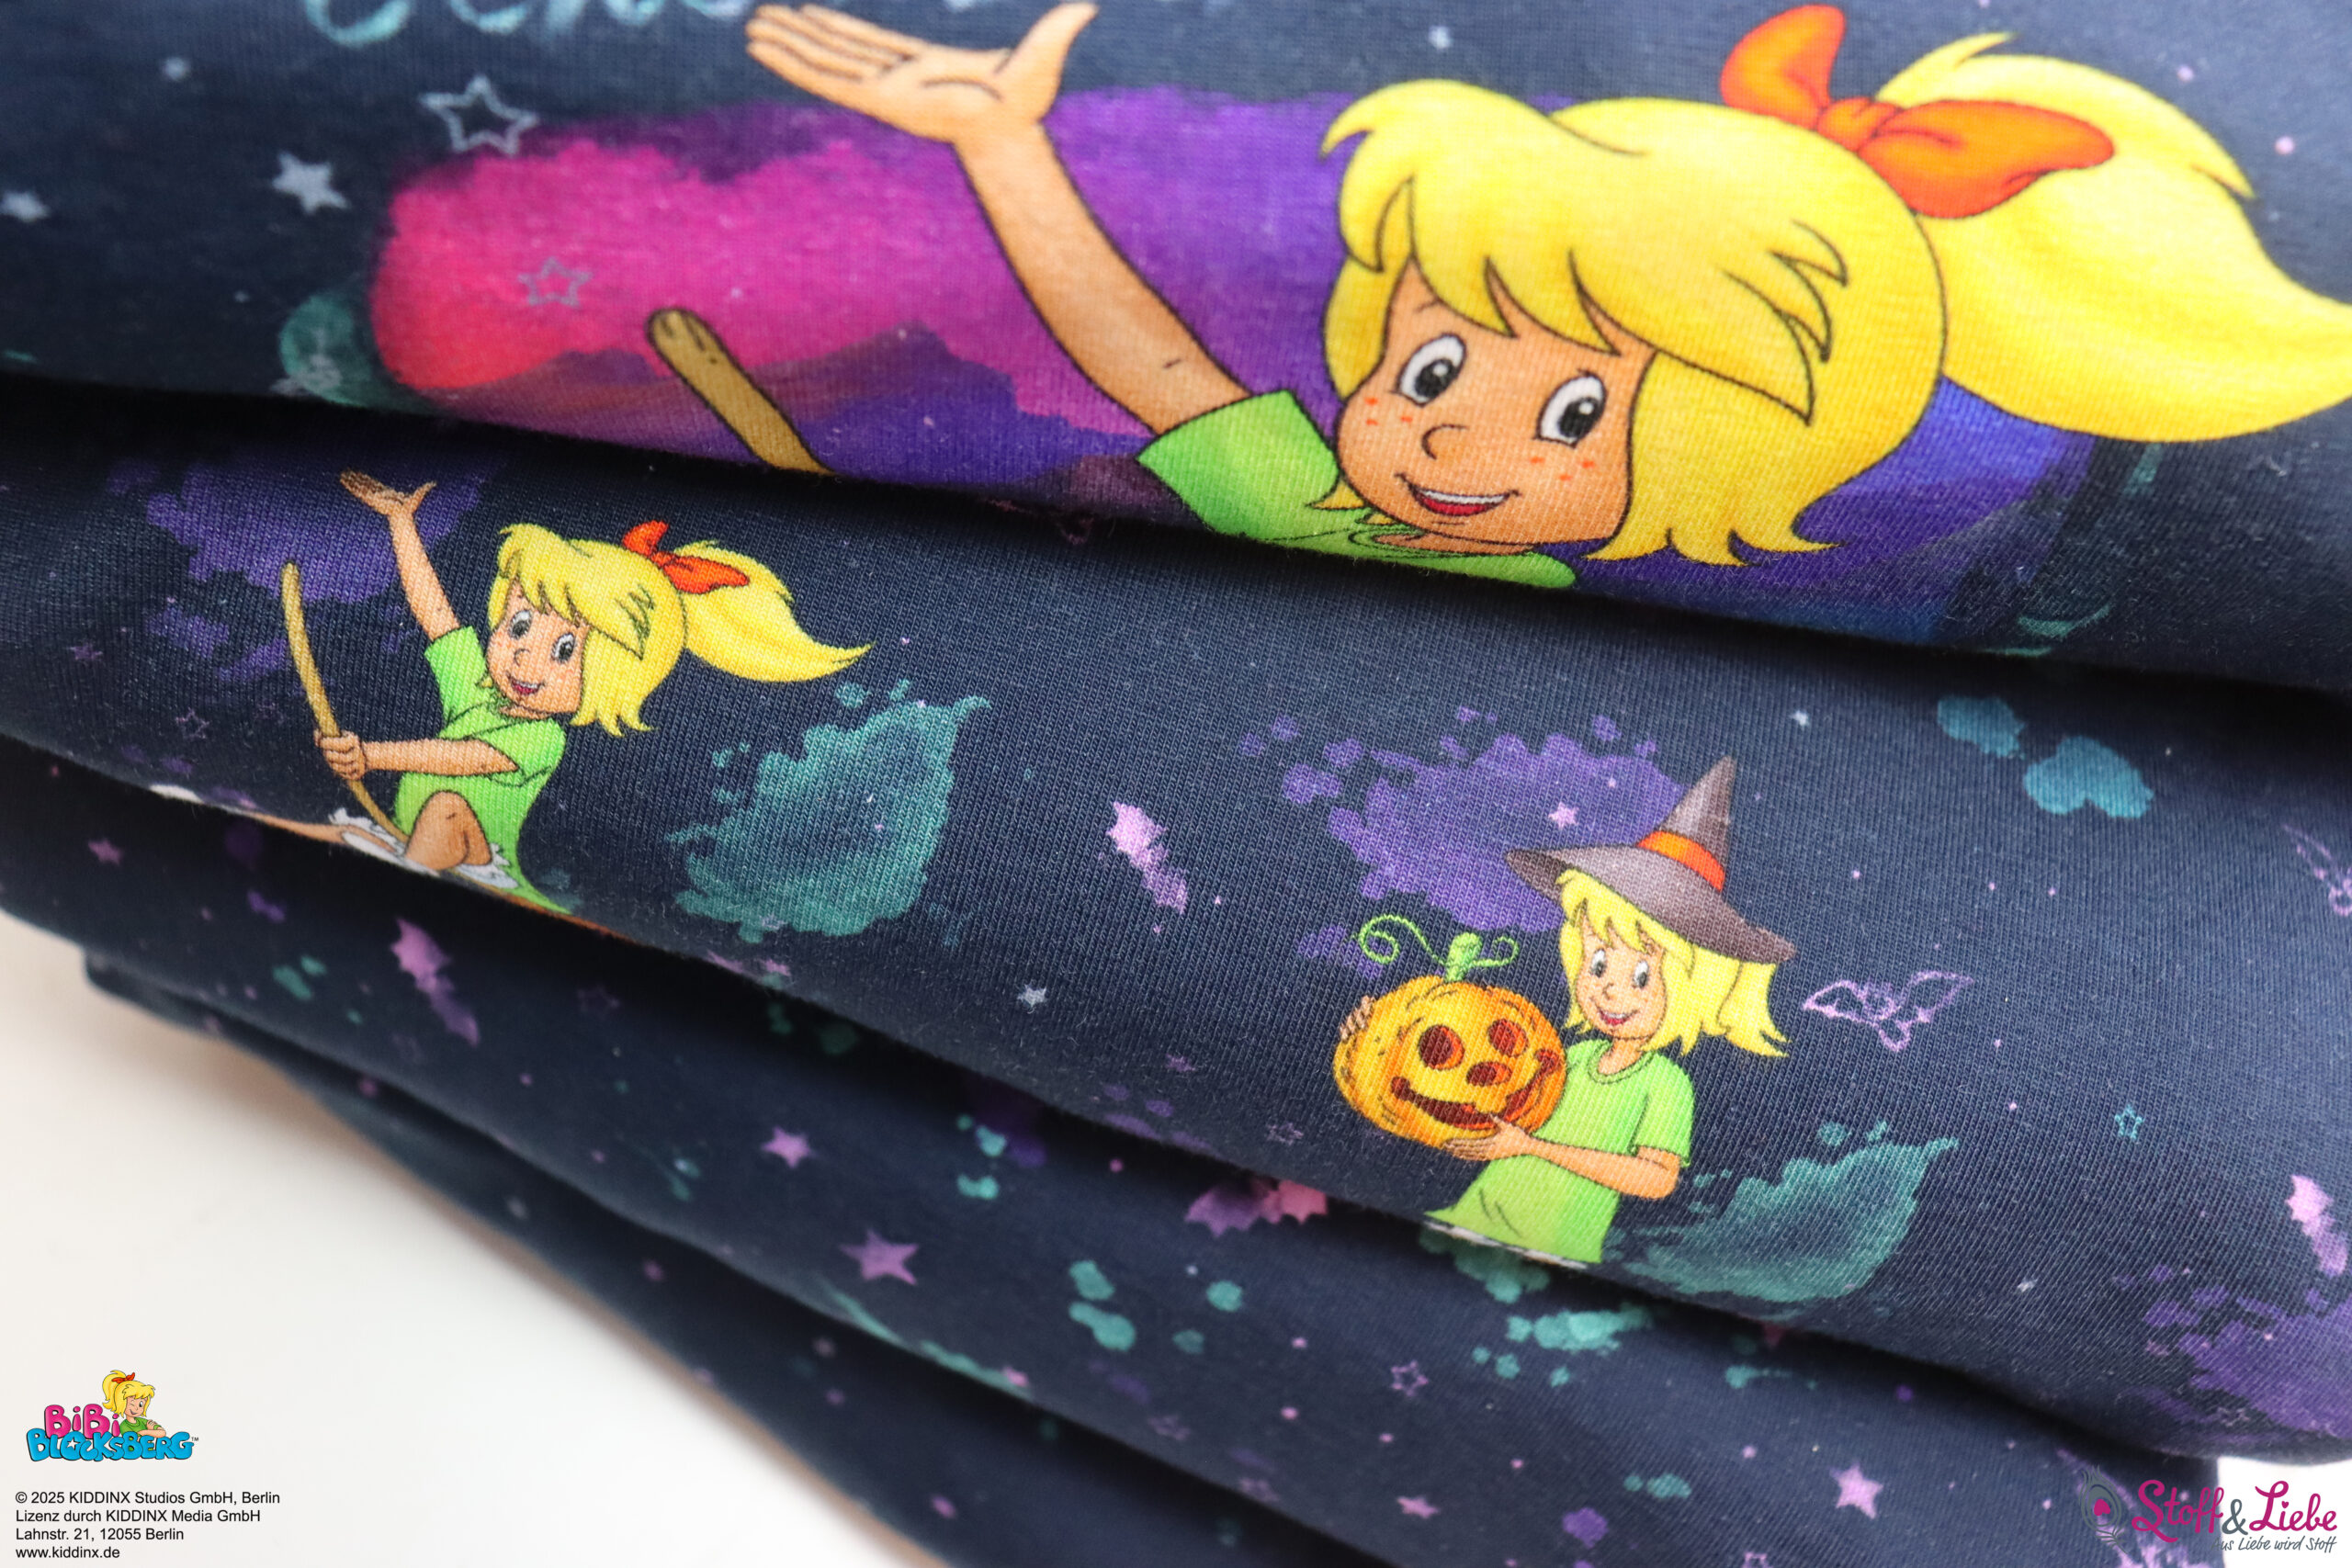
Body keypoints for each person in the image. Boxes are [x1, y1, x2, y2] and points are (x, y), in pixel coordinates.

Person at [743, 3, 2352, 581]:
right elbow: (1145, 352)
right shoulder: (1300, 490)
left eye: (1578, 408)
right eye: (1431, 368)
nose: (1449, 437)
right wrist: (1002, 147)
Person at [264, 470, 864, 908]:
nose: (526, 655)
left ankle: (392, 901)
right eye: (520, 625)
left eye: (566, 650)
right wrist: (401, 523)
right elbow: (436, 615)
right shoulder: (478, 689)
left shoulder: (539, 738)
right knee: (323, 830)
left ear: (610, 673)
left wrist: (372, 756)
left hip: (476, 856)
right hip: (411, 835)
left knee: (445, 807)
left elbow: (466, 758)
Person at [1409, 758, 1792, 1264]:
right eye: (1597, 964)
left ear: (1700, 986)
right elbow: (1487, 1089)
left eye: (1642, 977)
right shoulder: (1576, 1054)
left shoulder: (1665, 1083)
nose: (1610, 992)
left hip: (1552, 1247)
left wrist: (1533, 1148)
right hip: (1470, 1218)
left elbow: (1656, 1179)